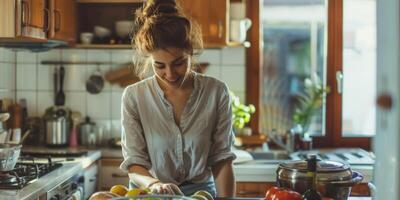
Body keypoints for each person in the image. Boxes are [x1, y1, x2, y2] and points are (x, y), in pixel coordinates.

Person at [120, 0, 236, 197]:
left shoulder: (216, 92)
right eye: (159, 66)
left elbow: (221, 160)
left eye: (179, 63)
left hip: (200, 194)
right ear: (150, 60)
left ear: (190, 52)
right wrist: (154, 184)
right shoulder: (134, 96)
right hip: (150, 194)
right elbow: (135, 162)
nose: (170, 74)